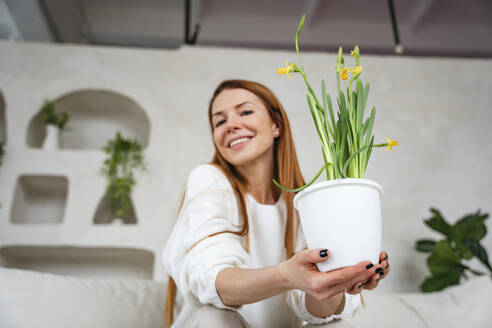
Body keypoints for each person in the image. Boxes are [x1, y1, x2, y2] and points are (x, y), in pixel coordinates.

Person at [162, 79, 390, 328]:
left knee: (336, 325)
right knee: (214, 319)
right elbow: (213, 282)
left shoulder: (304, 204)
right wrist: (287, 276)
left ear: (276, 125)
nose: (231, 125)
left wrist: (335, 281)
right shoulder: (208, 179)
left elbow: (316, 310)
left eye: (245, 111)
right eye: (220, 121)